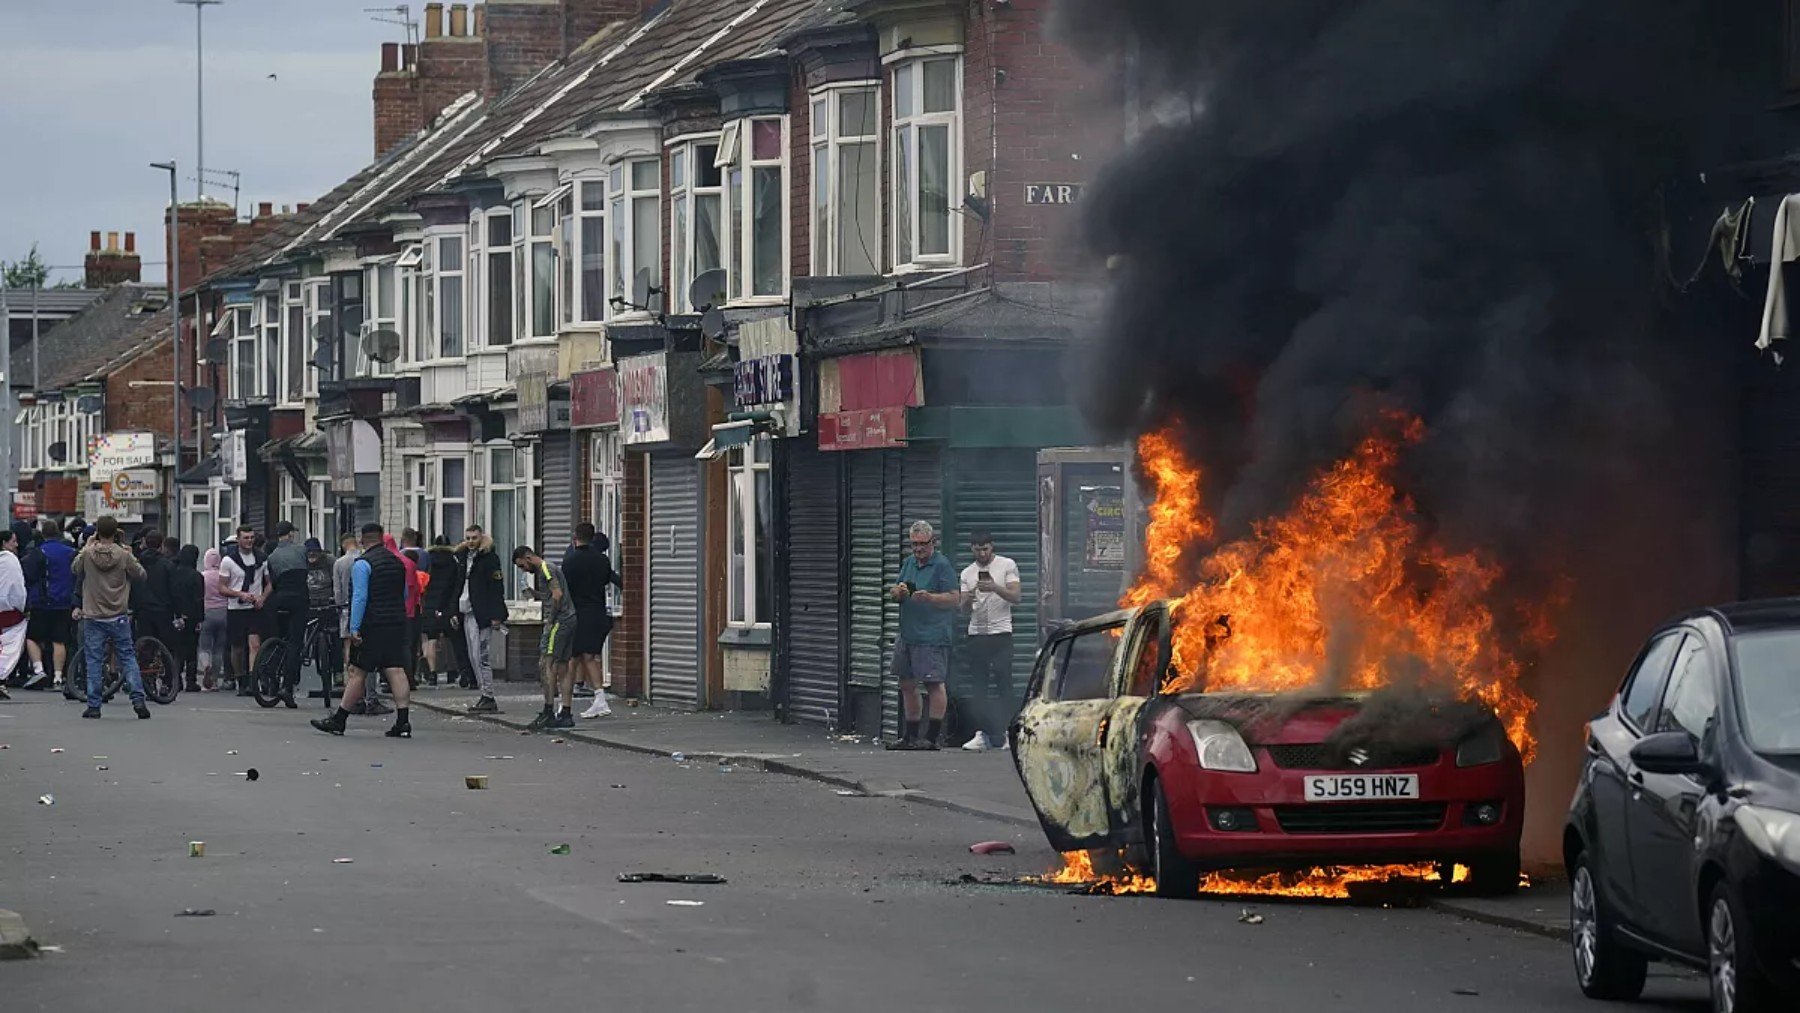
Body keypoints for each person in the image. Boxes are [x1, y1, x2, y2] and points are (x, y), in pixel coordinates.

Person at [311, 523, 412, 738]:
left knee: (358, 672)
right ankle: (403, 721)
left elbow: (360, 597)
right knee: (396, 669)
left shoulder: (363, 564)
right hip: (396, 622)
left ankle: (339, 719)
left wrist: (354, 627)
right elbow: (403, 594)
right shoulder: (398, 562)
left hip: (372, 624)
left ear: (362, 540)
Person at [886, 520, 960, 750]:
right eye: (914, 544)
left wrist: (930, 598)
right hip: (908, 634)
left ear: (933, 542)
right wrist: (897, 593)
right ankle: (910, 735)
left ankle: (931, 737)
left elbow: (955, 598)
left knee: (933, 683)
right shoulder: (909, 563)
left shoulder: (942, 566)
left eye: (922, 544)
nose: (918, 549)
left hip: (932, 635)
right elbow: (897, 590)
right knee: (906, 683)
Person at [73, 516, 149, 719]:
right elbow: (141, 575)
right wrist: (132, 557)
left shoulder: (88, 554)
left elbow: (74, 569)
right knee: (127, 657)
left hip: (93, 615)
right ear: (116, 532)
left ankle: (94, 705)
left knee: (94, 660)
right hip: (118, 614)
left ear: (97, 531)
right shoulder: (124, 555)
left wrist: (85, 547)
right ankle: (138, 700)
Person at [957, 530, 1023, 751]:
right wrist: (969, 598)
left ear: (992, 547)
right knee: (979, 687)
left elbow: (1016, 597)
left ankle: (1009, 734)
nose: (982, 553)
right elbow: (964, 610)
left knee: (1005, 684)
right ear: (972, 549)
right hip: (977, 634)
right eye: (978, 549)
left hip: (1001, 633)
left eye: (985, 548)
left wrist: (995, 587)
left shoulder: (1007, 565)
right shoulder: (967, 573)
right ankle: (982, 733)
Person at [562, 523, 623, 719]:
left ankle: (565, 706)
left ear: (575, 537)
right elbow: (606, 581)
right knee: (589, 656)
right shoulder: (602, 560)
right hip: (598, 612)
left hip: (578, 614)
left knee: (571, 659)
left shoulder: (570, 561)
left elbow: (565, 590)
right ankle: (599, 699)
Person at [512, 545, 575, 730]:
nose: (524, 570)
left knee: (545, 663)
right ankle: (565, 713)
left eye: (522, 565)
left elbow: (557, 594)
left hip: (559, 622)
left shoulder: (546, 568)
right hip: (570, 619)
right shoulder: (551, 569)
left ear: (528, 557)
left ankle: (548, 711)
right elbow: (551, 595)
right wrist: (534, 594)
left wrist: (551, 619)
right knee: (563, 666)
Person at [23, 518, 76, 690]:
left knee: (32, 637)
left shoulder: (38, 552)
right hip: (64, 602)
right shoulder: (70, 552)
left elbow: (29, 575)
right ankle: (58, 677)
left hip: (42, 602)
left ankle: (39, 670)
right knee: (59, 640)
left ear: (43, 534)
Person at [457, 526, 506, 713]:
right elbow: (458, 584)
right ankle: (484, 693)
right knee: (472, 656)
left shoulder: (489, 559)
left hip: (482, 612)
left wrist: (497, 615)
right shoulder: (462, 557)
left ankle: (488, 695)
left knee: (481, 655)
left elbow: (496, 587)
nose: (470, 542)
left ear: (481, 537)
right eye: (468, 538)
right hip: (467, 610)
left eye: (474, 538)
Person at [261, 521, 309, 708]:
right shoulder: (301, 550)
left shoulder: (272, 557)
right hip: (299, 599)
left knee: (279, 638)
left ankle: (269, 675)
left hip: (280, 599)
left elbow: (273, 580)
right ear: (290, 534)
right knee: (295, 643)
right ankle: (287, 687)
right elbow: (306, 571)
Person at [219, 526, 268, 697]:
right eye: (246, 538)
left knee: (255, 644)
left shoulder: (261, 559)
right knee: (237, 647)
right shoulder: (228, 561)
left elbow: (269, 583)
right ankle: (240, 678)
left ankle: (252, 679)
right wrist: (239, 594)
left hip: (254, 608)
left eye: (252, 538)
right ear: (238, 540)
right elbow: (222, 587)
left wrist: (262, 597)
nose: (249, 541)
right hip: (236, 608)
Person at [421, 534, 463, 686]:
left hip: (429, 603)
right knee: (449, 638)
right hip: (445, 603)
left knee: (431, 638)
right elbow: (456, 582)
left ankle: (432, 674)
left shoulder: (428, 559)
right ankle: (452, 670)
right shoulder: (453, 561)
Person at [132, 532, 177, 658]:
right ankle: (167, 675)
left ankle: (146, 674)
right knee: (166, 648)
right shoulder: (167, 565)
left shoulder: (137, 563)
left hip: (142, 611)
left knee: (145, 646)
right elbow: (173, 590)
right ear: (161, 545)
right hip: (163, 611)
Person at [169, 544, 205, 692]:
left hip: (175, 614)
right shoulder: (196, 576)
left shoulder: (173, 573)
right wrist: (200, 618)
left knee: (176, 649)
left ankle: (175, 679)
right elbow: (199, 599)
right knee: (191, 649)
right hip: (192, 616)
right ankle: (191, 680)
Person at [0, 530, 27, 702]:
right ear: (4, 542)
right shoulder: (10, 561)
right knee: (10, 646)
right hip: (9, 610)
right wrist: (21, 606)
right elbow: (16, 587)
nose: (16, 545)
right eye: (13, 541)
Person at [199, 547, 229, 690]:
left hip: (207, 612)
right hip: (224, 613)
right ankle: (215, 680)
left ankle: (206, 665)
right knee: (219, 648)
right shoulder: (223, 576)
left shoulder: (202, 576)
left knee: (204, 646)